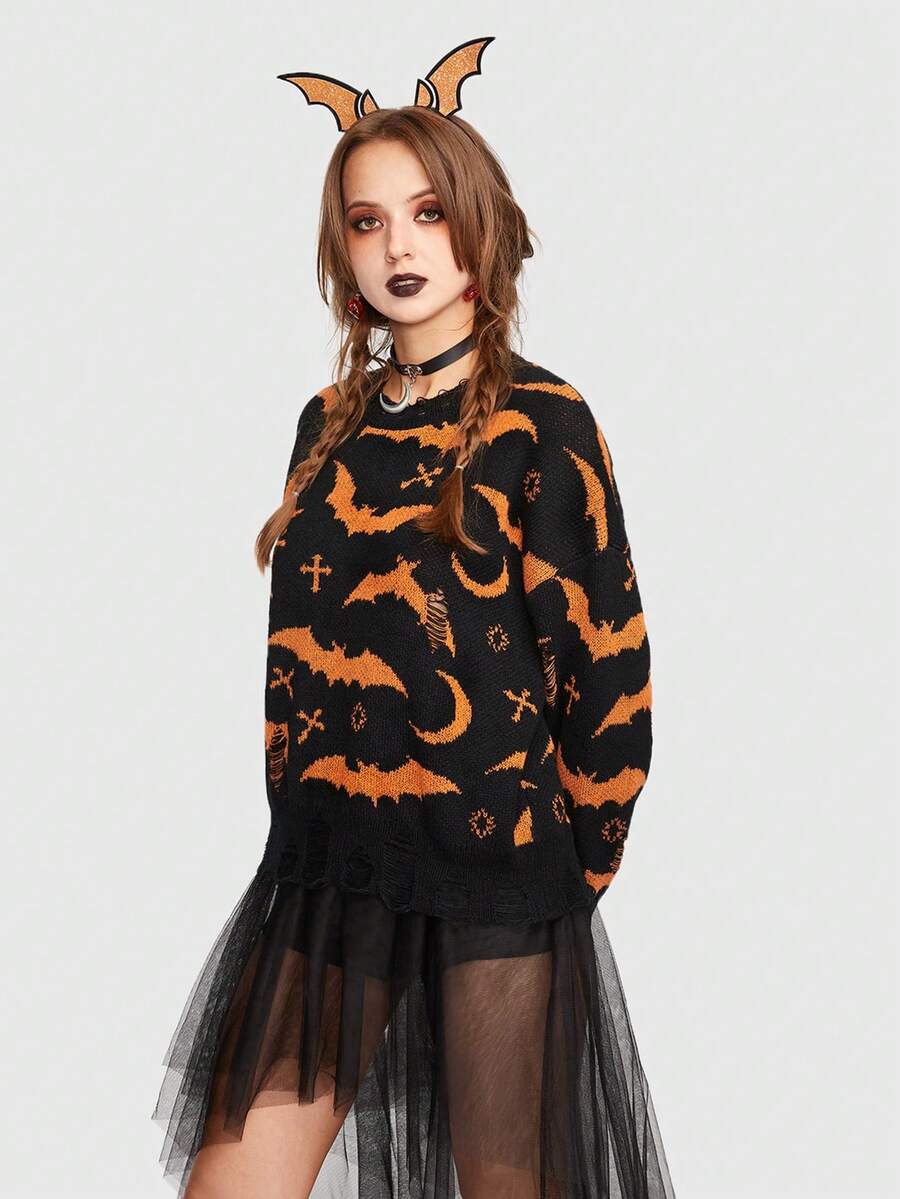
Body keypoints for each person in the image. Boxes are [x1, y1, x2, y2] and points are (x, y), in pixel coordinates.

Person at [152, 37, 677, 1199]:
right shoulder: (327, 424)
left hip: (498, 871)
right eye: (368, 221)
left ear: (477, 226)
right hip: (331, 864)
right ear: (342, 250)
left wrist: (558, 881)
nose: (399, 246)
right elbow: (292, 663)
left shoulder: (544, 422)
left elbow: (606, 667)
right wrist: (300, 813)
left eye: (427, 213)